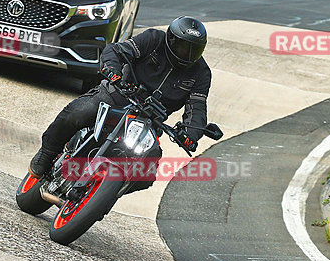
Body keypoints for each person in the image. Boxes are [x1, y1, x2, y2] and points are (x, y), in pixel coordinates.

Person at [29, 16, 212, 179]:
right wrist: (113, 71)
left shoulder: (201, 73)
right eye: (182, 46)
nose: (187, 53)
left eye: (193, 49)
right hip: (118, 95)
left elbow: (197, 108)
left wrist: (191, 134)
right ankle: (47, 153)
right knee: (80, 112)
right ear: (171, 39)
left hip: (151, 120)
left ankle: (105, 192)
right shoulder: (154, 39)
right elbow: (117, 51)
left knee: (148, 171)